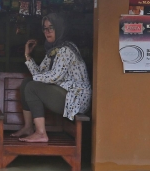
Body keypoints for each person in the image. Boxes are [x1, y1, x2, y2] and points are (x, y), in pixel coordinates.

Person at [11, 13, 91, 143]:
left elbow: (54, 76)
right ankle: (28, 127)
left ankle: (41, 133)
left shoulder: (66, 49)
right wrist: (28, 56)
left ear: (59, 29)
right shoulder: (53, 50)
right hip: (65, 93)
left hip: (76, 98)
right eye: (45, 28)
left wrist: (36, 78)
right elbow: (39, 73)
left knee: (31, 86)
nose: (47, 32)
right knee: (27, 82)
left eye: (51, 28)